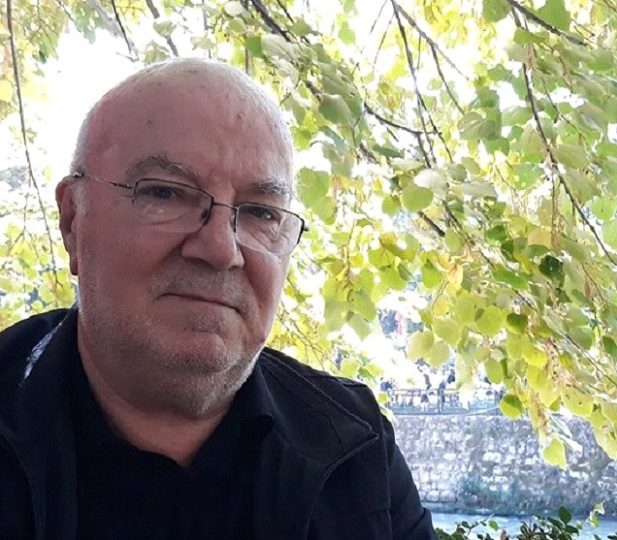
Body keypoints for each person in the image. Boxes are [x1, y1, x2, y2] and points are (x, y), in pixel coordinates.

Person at [0, 58, 437, 539]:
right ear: (72, 221)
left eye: (261, 213)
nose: (221, 249)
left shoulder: (356, 449)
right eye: (165, 194)